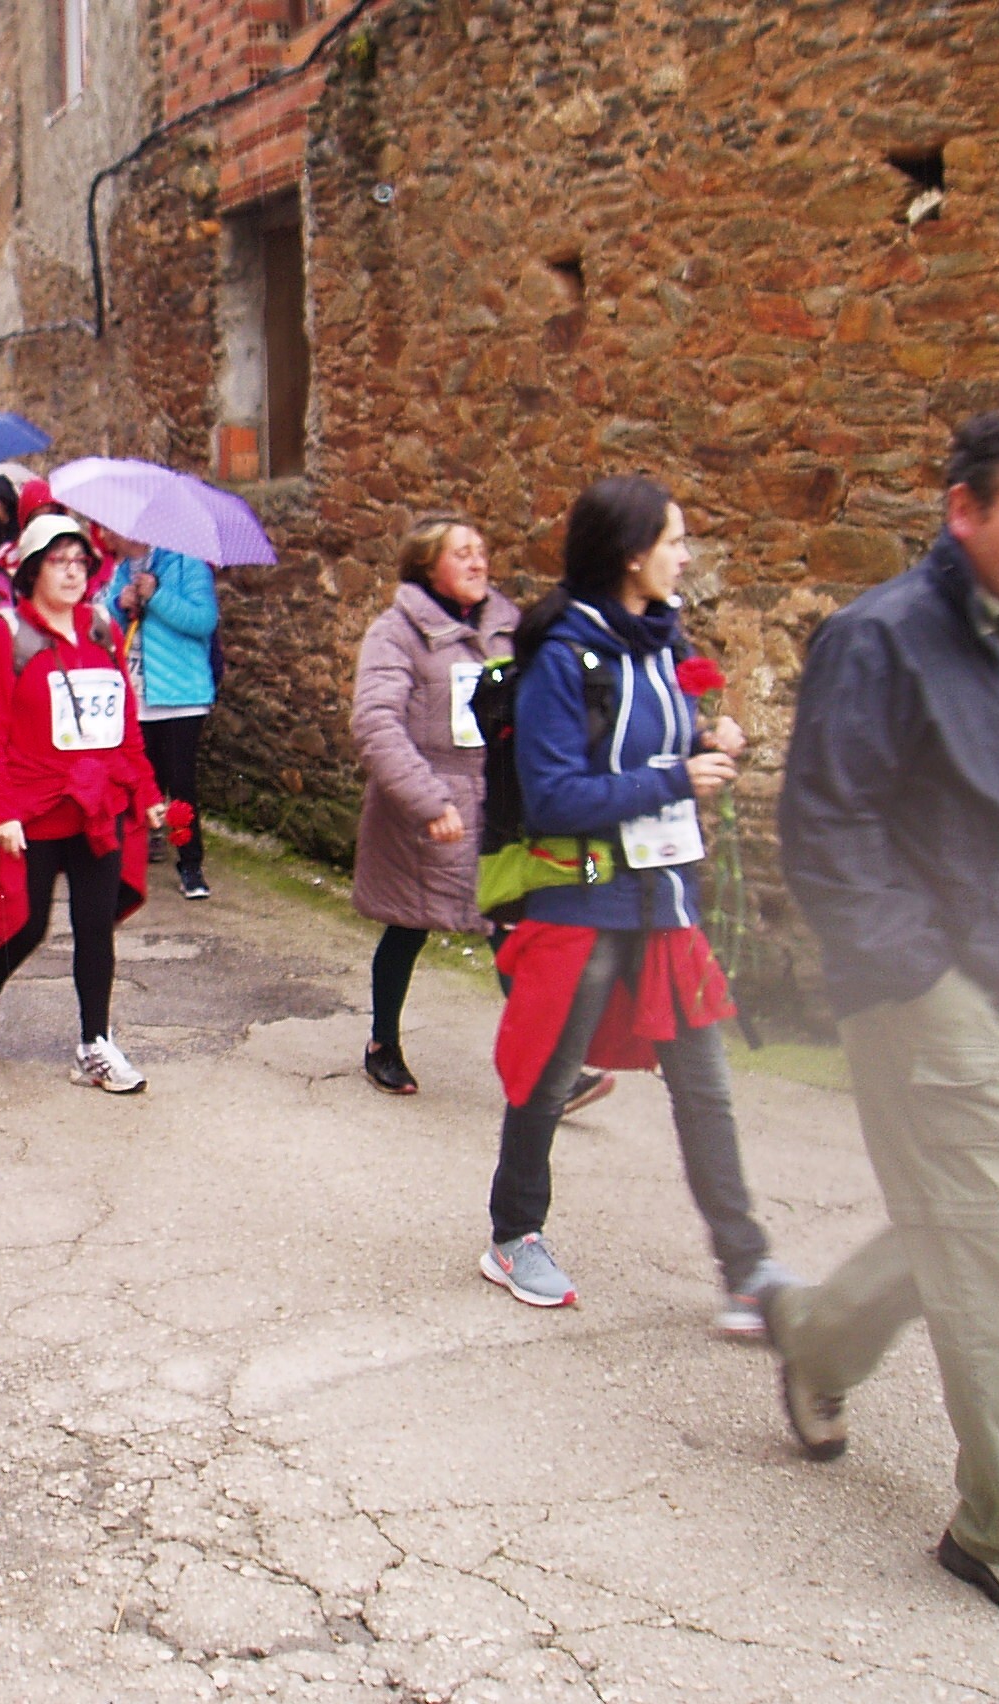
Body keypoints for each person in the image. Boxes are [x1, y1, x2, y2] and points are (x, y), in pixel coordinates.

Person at [771, 405, 999, 1634]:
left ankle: (815, 1338)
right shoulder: (882, 640)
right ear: (964, 511)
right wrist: (919, 976)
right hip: (942, 998)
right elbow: (827, 828)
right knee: (996, 1257)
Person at [478, 476, 785, 1333]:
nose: (685, 556)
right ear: (629, 553)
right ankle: (513, 1236)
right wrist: (675, 778)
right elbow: (554, 797)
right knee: (546, 1081)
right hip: (581, 901)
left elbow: (648, 746)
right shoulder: (559, 657)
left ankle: (747, 1267)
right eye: (674, 540)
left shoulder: (660, 640)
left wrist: (703, 738)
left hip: (664, 902)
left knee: (706, 1089)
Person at [0, 515, 166, 1092]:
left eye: (81, 561)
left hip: (97, 806)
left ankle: (94, 1045)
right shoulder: (2, 636)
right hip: (32, 810)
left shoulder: (103, 629)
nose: (72, 572)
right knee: (27, 924)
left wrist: (146, 791)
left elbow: (123, 723)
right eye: (59, 561)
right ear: (33, 569)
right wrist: (0, 811)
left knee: (95, 926)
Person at [347, 516, 526, 1093]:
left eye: (482, 551)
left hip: (496, 806)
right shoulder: (395, 633)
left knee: (509, 927)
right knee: (407, 925)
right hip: (425, 809)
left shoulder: (508, 630)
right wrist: (428, 801)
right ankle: (382, 1043)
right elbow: (375, 723)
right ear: (427, 566)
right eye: (461, 553)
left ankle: (545, 1061)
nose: (478, 562)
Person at [105, 532, 221, 901]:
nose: (108, 535)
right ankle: (136, 854)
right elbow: (105, 625)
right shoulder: (122, 570)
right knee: (140, 781)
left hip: (181, 695)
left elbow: (204, 620)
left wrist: (157, 596)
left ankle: (190, 864)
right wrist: (119, 605)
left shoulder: (187, 563)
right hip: (137, 694)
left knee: (181, 786)